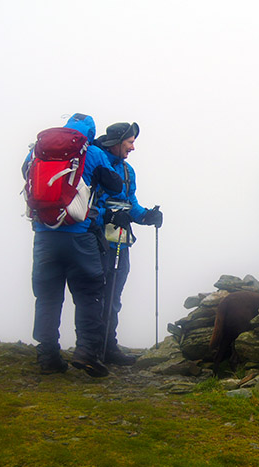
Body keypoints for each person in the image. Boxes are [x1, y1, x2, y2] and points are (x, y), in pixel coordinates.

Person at [25, 113, 122, 377]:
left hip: (44, 236)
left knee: (47, 297)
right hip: (79, 236)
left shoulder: (37, 151)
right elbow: (115, 185)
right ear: (89, 134)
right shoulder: (91, 152)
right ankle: (87, 353)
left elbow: (27, 176)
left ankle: (48, 356)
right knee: (89, 295)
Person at [94, 122, 163, 366]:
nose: (133, 147)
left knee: (114, 293)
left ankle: (107, 345)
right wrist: (109, 216)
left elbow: (129, 203)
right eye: (130, 142)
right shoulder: (96, 163)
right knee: (100, 293)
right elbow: (88, 203)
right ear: (116, 142)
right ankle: (96, 347)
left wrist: (146, 216)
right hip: (98, 239)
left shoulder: (126, 171)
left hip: (119, 240)